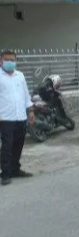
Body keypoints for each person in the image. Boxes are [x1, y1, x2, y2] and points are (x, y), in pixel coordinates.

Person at [0, 50, 35, 186]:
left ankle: (15, 169)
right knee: (7, 146)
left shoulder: (20, 75)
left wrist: (30, 111)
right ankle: (5, 173)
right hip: (5, 118)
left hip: (20, 116)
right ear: (1, 61)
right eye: (7, 59)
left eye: (12, 60)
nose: (10, 62)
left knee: (18, 145)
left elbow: (26, 95)